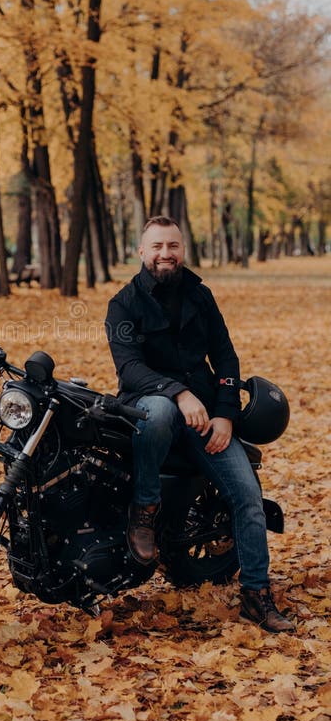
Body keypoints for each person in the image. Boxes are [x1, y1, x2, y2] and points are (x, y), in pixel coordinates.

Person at [105, 216, 295, 633]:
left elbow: (226, 358)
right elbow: (129, 368)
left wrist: (226, 413)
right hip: (151, 409)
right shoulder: (123, 303)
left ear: (182, 250)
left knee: (247, 496)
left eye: (172, 246)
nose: (165, 254)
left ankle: (256, 596)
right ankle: (145, 510)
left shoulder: (200, 296)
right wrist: (177, 391)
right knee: (159, 411)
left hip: (208, 420)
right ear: (141, 252)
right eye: (156, 247)